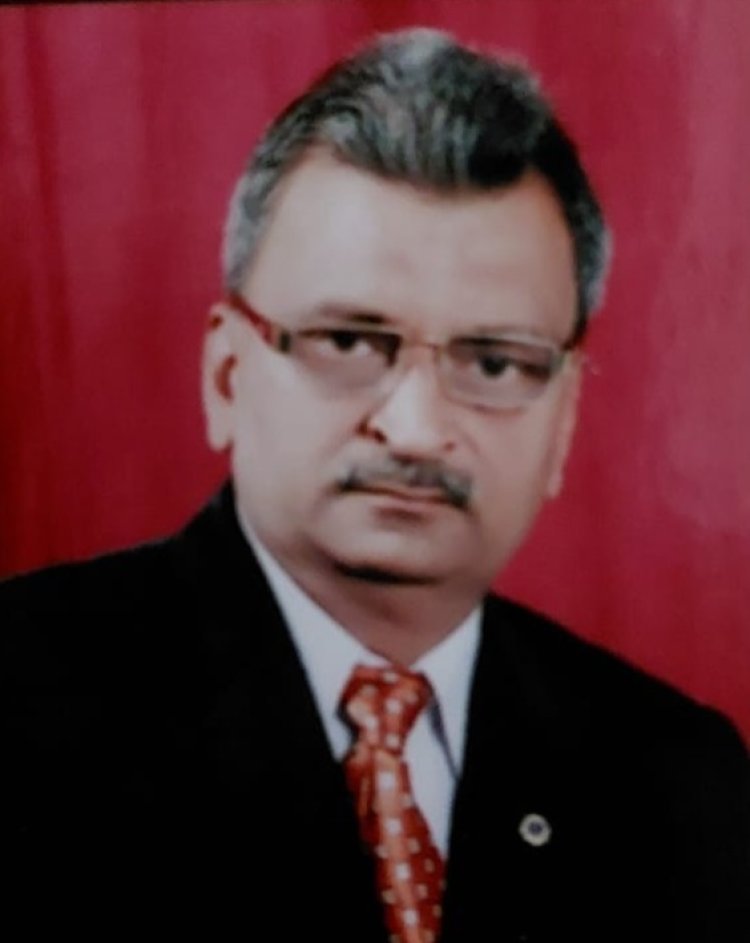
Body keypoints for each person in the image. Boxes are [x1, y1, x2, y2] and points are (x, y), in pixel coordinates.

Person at [3, 28, 748, 943]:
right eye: (350, 342)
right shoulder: (19, 704)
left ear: (562, 422)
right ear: (227, 376)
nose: (417, 428)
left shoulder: (681, 779)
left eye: (495, 361)